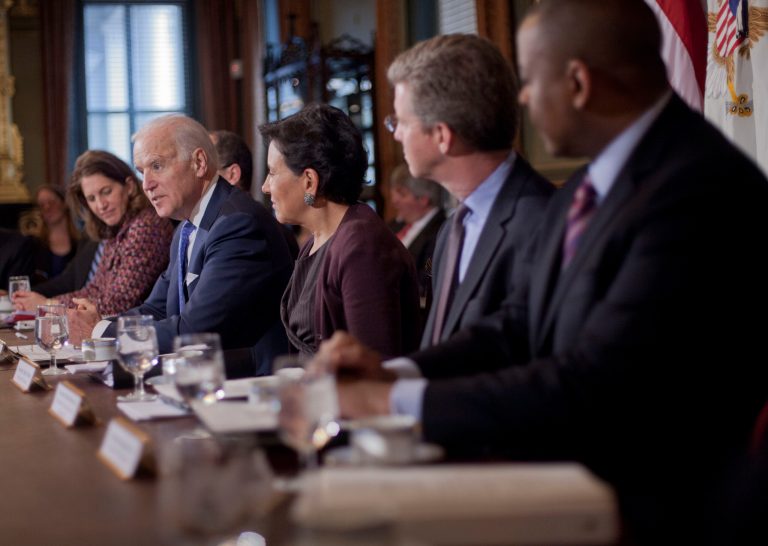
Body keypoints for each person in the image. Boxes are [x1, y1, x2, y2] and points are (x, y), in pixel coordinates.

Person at [321, 1, 768, 544]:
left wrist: (391, 403)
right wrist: (396, 374)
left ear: (577, 83)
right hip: (568, 482)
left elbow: (593, 384)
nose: (524, 99)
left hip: (650, 513)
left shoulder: (697, 189)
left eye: (531, 80)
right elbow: (515, 325)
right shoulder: (586, 187)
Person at [66, 115, 295, 375]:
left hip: (250, 388)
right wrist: (101, 323)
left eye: (157, 166)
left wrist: (98, 331)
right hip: (201, 376)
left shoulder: (238, 225)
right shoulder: (185, 229)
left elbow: (195, 331)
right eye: (142, 171)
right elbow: (157, 308)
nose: (147, 185)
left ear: (198, 163)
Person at [385, 33, 553, 355]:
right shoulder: (452, 229)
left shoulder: (542, 224)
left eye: (401, 122)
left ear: (442, 136)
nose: (397, 135)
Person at [259, 103, 420, 358]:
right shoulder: (317, 240)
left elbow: (373, 367)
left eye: (272, 172)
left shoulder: (361, 245)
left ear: (309, 181)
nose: (265, 187)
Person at [13, 151, 173, 316]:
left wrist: (48, 305)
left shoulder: (145, 226)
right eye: (91, 198)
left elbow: (118, 303)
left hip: (142, 335)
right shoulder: (117, 228)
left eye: (106, 191)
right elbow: (95, 289)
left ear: (130, 187)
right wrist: (42, 302)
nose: (100, 205)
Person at [388, 164, 446, 312]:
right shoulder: (393, 225)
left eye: (402, 193)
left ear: (423, 199)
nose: (394, 200)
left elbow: (427, 277)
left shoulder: (441, 233)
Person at [23, 185, 80, 281]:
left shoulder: (82, 243)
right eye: (41, 205)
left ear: (64, 203)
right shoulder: (33, 245)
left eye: (51, 202)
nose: (47, 207)